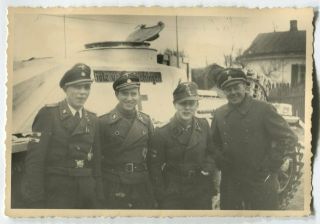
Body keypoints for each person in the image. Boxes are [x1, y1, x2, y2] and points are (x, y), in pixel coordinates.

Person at [211, 68, 298, 210]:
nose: (233, 93)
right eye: (228, 89)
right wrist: (220, 160)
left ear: (245, 86)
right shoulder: (219, 114)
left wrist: (270, 166)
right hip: (231, 183)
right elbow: (213, 143)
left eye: (236, 87)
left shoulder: (264, 109)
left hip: (261, 182)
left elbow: (288, 138)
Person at [21, 63, 103, 209]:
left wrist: (98, 193)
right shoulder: (48, 114)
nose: (82, 92)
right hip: (58, 191)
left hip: (86, 191)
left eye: (86, 87)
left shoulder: (93, 119)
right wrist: (36, 197)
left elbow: (96, 162)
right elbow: (35, 160)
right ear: (66, 89)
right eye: (77, 87)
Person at [148, 82, 217, 209]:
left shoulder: (203, 125)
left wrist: (208, 166)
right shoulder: (162, 132)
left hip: (200, 190)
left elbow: (211, 153)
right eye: (183, 103)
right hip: (174, 194)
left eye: (191, 103)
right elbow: (155, 168)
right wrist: (161, 195)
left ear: (197, 105)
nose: (187, 108)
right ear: (175, 105)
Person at [99, 73, 156, 209]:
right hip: (114, 184)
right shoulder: (103, 122)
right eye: (125, 94)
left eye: (133, 94)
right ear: (117, 95)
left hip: (141, 185)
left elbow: (152, 158)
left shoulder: (146, 121)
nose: (129, 98)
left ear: (138, 95)